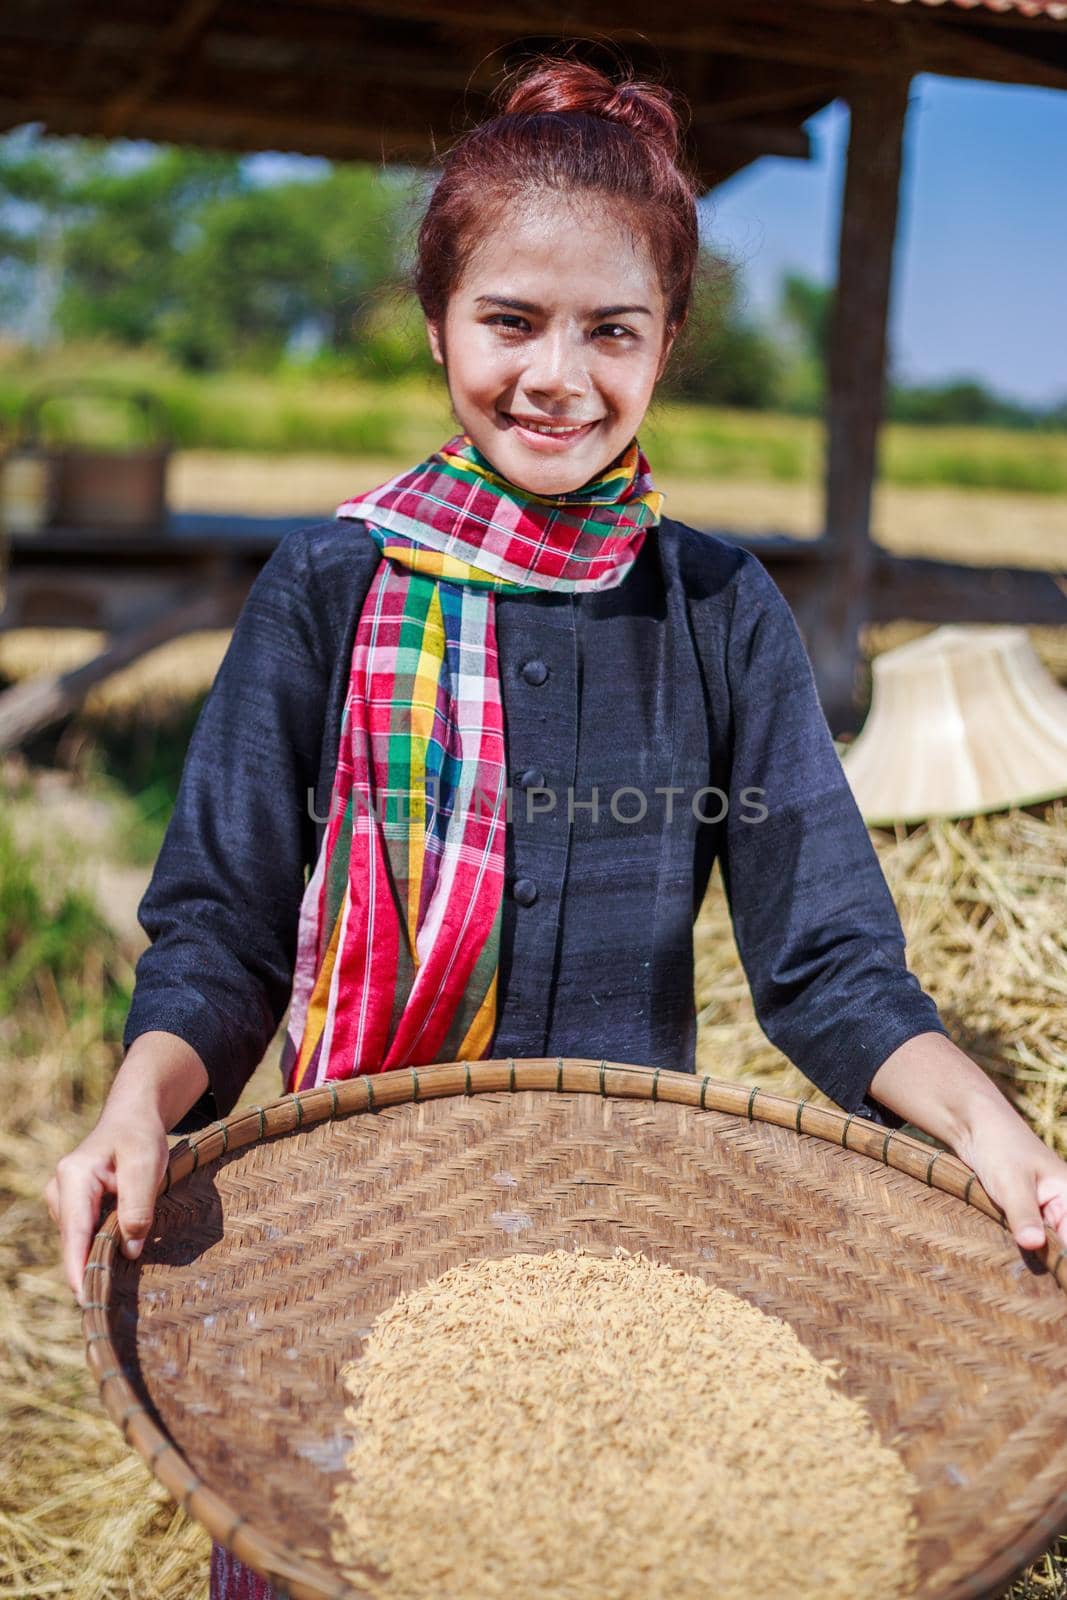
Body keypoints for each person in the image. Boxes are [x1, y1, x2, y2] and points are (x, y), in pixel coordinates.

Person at [45, 54, 1067, 1600]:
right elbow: (225, 931)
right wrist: (140, 1105)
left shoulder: (720, 612)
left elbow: (828, 966)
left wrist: (995, 1129)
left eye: (614, 332)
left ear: (669, 347)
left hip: (624, 1259)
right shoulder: (332, 590)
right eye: (510, 322)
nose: (559, 377)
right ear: (440, 321)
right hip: (356, 1221)